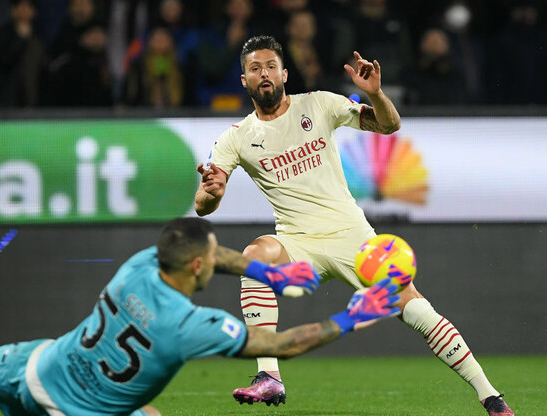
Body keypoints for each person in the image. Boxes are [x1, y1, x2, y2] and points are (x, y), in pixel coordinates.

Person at [193, 35, 514, 416]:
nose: (264, 74)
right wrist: (212, 191)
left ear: (284, 73)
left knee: (416, 310)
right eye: (255, 68)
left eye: (270, 67)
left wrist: (375, 95)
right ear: (244, 80)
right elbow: (202, 205)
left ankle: (491, 397)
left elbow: (389, 125)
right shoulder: (236, 137)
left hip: (353, 238)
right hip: (298, 243)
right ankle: (269, 376)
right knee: (254, 257)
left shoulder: (319, 104)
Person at [0, 217, 401, 416]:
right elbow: (283, 345)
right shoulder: (191, 327)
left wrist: (269, 274)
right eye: (213, 257)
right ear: (197, 266)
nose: (220, 259)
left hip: (43, 367)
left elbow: (212, 254)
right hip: (80, 410)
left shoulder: (140, 264)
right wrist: (352, 316)